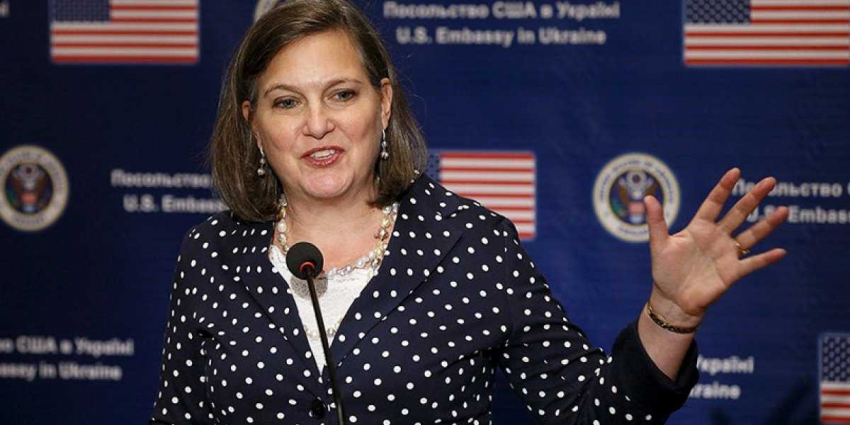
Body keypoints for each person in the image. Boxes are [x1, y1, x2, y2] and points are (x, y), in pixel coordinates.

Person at [149, 0, 788, 423]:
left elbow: (595, 412)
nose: (318, 124)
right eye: (287, 102)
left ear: (383, 105)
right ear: (253, 124)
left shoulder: (468, 243)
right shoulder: (210, 256)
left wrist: (671, 314)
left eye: (341, 94)